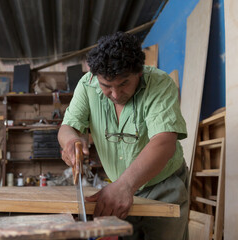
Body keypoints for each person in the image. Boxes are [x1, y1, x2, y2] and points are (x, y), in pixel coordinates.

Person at [58, 31, 188, 240]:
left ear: (139, 73)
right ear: (94, 76)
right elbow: (67, 128)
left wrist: (125, 185)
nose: (115, 95)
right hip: (119, 186)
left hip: (163, 186)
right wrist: (71, 141)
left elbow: (164, 142)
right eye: (106, 86)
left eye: (123, 84)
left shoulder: (159, 83)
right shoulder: (87, 84)